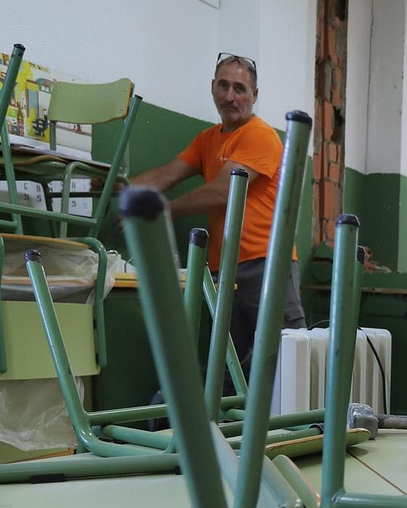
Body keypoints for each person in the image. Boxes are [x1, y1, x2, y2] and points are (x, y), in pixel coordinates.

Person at [129, 53, 306, 371]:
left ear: (254, 95)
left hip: (266, 263)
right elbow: (165, 176)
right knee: (230, 368)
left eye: (239, 88)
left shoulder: (259, 135)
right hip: (224, 270)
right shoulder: (207, 140)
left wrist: (164, 212)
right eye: (223, 86)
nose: (229, 96)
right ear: (212, 87)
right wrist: (120, 188)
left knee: (285, 362)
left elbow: (226, 190)